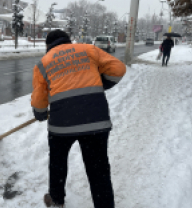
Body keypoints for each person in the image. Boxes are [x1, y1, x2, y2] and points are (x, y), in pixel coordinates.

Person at [31, 30, 126, 208]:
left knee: (57, 163)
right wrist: (101, 84)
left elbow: (39, 98)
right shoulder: (89, 49)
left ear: (48, 45)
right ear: (68, 40)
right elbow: (118, 69)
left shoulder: (43, 63)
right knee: (98, 169)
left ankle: (56, 199)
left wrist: (40, 112)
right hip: (95, 120)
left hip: (62, 125)